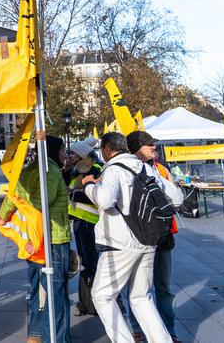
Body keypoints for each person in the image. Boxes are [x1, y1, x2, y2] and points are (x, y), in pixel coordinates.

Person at [83, 132, 183, 343]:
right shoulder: (146, 167)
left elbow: (105, 200)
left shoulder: (113, 169)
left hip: (120, 243)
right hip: (148, 241)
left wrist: (89, 186)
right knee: (141, 297)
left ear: (107, 150)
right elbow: (177, 197)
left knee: (102, 295)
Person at [0, 135, 71, 343]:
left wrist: (3, 217)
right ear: (54, 151)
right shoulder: (51, 171)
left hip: (33, 242)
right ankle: (55, 339)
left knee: (38, 291)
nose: (65, 155)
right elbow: (39, 206)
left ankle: (36, 335)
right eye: (63, 150)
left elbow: (13, 195)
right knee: (55, 297)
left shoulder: (27, 169)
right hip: (52, 241)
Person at [125, 131, 182, 342]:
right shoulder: (125, 170)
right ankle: (137, 328)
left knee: (163, 286)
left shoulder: (160, 169)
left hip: (162, 237)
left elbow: (176, 199)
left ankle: (169, 330)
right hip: (137, 237)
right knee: (137, 288)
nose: (154, 148)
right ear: (136, 148)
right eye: (149, 145)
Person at [65, 137, 102, 317]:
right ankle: (87, 302)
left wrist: (73, 193)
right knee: (87, 262)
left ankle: (93, 303)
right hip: (81, 220)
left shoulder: (94, 169)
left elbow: (94, 195)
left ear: (81, 156)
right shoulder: (78, 170)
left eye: (72, 153)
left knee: (90, 263)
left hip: (89, 221)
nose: (69, 155)